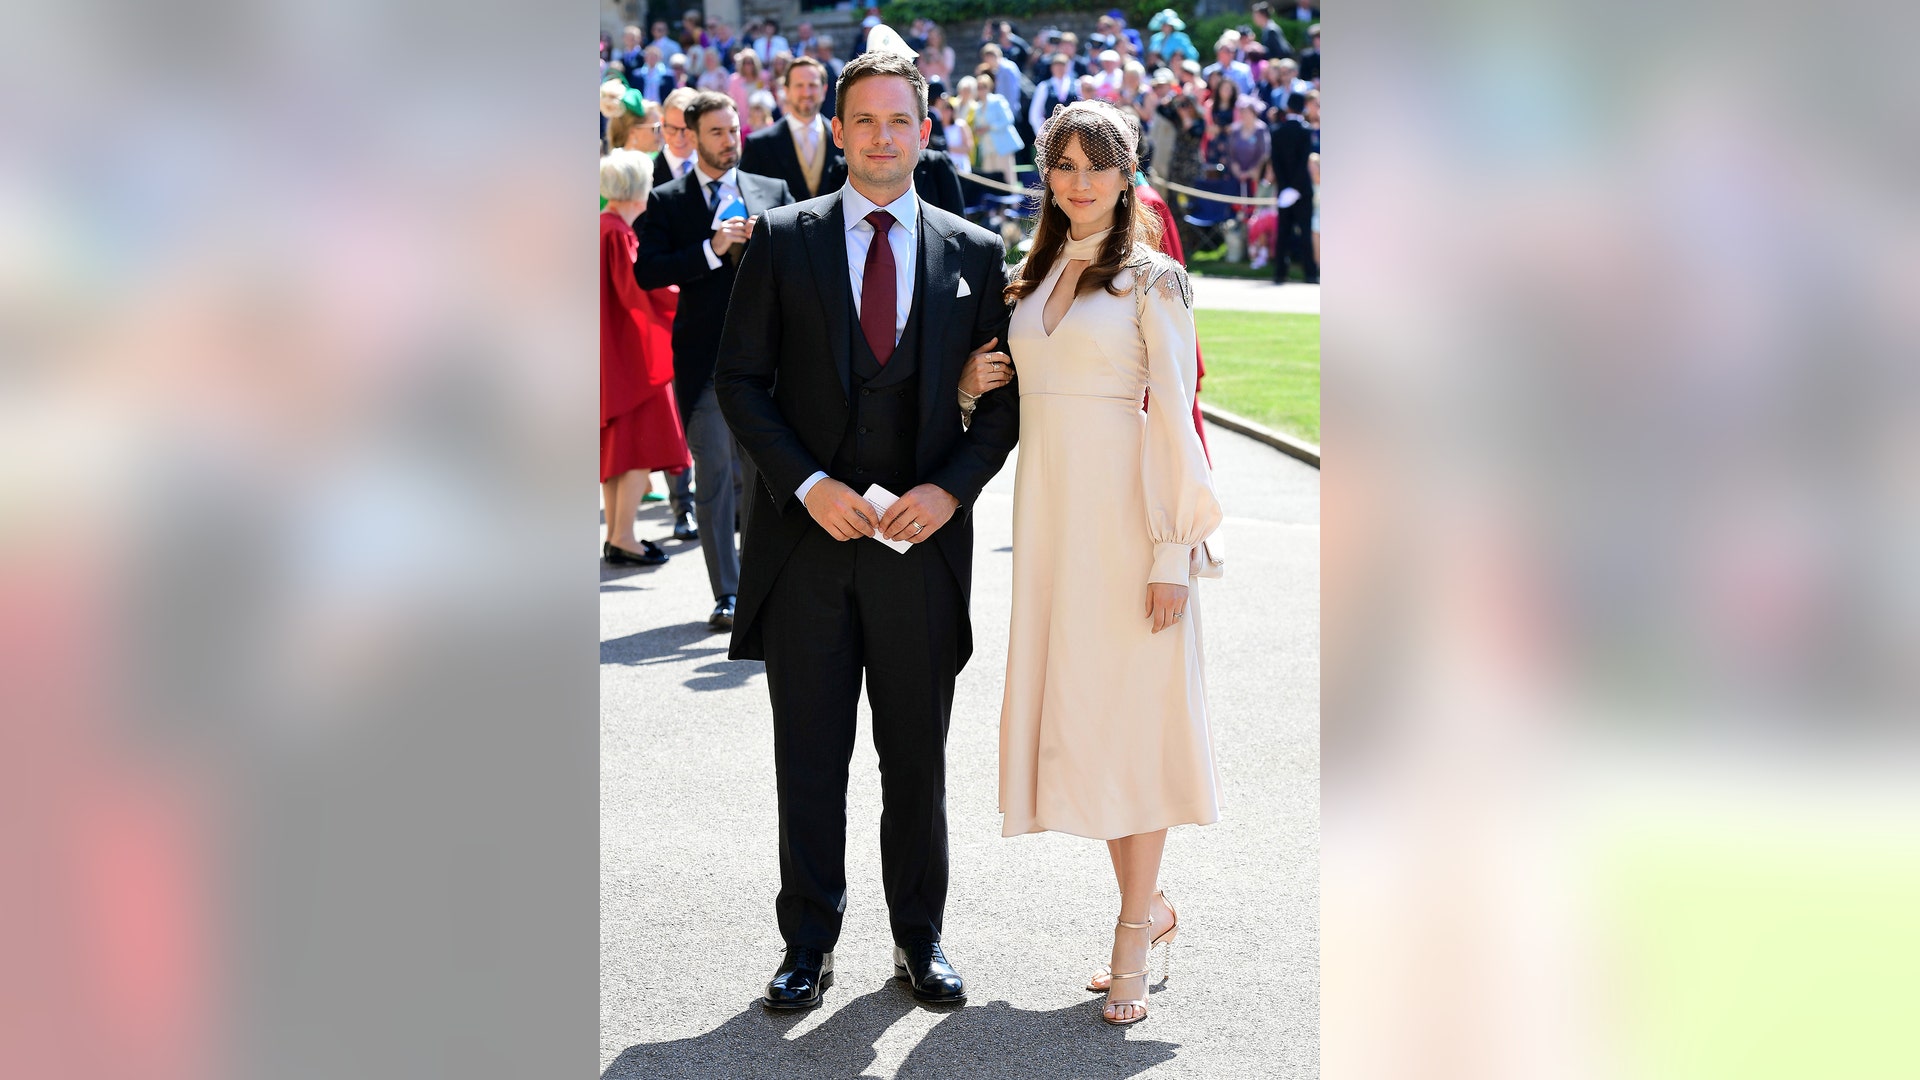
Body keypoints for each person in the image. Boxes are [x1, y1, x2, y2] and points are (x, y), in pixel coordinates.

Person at [713, 49, 1018, 1014]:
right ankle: (807, 940)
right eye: (866, 122)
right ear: (836, 131)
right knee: (808, 754)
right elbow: (740, 383)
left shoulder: (972, 252)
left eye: (901, 121)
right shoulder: (781, 238)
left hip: (918, 554)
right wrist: (804, 485)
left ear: (927, 132)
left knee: (915, 759)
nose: (883, 138)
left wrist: (950, 490)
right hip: (806, 551)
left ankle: (919, 938)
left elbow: (1007, 405)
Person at [983, 100, 1221, 1028]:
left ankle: (1131, 931)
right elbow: (1018, 395)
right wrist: (973, 381)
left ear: (1128, 177)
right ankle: (1151, 907)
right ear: (1045, 176)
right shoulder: (1030, 279)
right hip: (1050, 534)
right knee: (1087, 724)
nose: (1079, 183)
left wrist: (1172, 548)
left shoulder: (1154, 281)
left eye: (1097, 166)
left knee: (1134, 726)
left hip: (1130, 533)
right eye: (1063, 165)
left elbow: (1175, 418)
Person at [636, 91, 795, 629]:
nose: (731, 142)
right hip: (704, 363)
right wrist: (710, 248)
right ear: (694, 137)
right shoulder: (669, 199)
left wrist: (762, 245)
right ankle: (725, 594)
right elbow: (647, 272)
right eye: (719, 133)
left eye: (735, 131)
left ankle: (758, 586)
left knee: (763, 478)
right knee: (714, 477)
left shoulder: (771, 192)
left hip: (768, 363)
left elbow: (800, 269)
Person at [599, 151, 689, 567]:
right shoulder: (617, 233)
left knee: (619, 449)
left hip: (613, 355)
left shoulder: (603, 227)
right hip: (632, 359)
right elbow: (640, 290)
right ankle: (623, 536)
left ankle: (620, 534)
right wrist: (688, 290)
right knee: (636, 447)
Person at [741, 56, 844, 200]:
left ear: (824, 90)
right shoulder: (759, 145)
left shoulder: (844, 140)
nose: (806, 93)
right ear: (786, 90)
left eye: (812, 85)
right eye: (799, 85)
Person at [1269, 89, 1318, 283]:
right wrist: (1296, 187)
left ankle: (1280, 273)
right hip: (1302, 190)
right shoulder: (1306, 131)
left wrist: (1286, 187)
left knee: (1283, 234)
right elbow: (1302, 161)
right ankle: (1310, 274)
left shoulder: (1277, 130)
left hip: (1284, 190)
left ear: (1288, 107)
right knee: (1305, 233)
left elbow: (1276, 162)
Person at [972, 70, 1022, 190]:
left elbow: (1008, 119)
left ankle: (1013, 205)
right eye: (978, 87)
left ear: (989, 87)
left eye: (983, 87)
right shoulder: (978, 107)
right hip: (988, 147)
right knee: (990, 180)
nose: (981, 90)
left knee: (1008, 177)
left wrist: (989, 127)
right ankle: (994, 207)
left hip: (1002, 146)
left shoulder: (998, 100)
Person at [651, 87, 700, 192]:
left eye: (686, 130)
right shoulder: (648, 174)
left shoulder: (712, 168)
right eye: (672, 128)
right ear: (662, 122)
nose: (679, 138)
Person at [1226, 96, 1271, 208]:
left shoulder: (1261, 129)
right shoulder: (1235, 130)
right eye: (1242, 112)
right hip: (1237, 176)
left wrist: (1253, 171)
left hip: (1256, 177)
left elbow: (1265, 153)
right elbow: (1230, 152)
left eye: (1247, 112)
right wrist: (1235, 168)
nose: (1244, 115)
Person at [728, 49, 766, 125]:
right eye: (745, 63)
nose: (748, 65)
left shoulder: (762, 77)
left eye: (751, 62)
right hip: (742, 118)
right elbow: (732, 101)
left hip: (760, 119)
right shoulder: (734, 80)